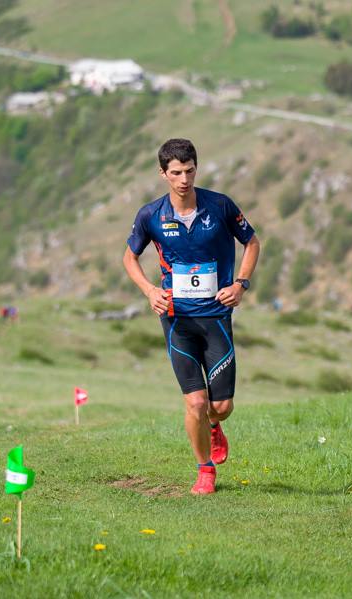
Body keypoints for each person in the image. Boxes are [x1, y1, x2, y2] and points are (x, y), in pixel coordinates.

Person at [123, 138, 260, 495]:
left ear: (196, 168)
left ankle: (215, 426)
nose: (184, 179)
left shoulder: (221, 205)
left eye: (189, 171)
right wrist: (150, 291)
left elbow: (253, 242)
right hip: (176, 319)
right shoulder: (150, 215)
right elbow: (128, 258)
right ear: (163, 174)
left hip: (216, 317)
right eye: (176, 173)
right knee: (195, 402)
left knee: (221, 406)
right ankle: (205, 470)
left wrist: (241, 284)